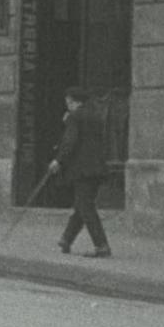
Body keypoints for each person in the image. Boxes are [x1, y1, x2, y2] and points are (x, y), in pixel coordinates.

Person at [48, 87, 112, 258]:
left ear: (74, 101)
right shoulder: (96, 116)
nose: (67, 105)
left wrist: (58, 160)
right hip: (98, 167)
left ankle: (101, 246)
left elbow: (70, 141)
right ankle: (66, 239)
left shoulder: (74, 117)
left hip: (82, 169)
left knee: (85, 206)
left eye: (68, 102)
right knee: (82, 204)